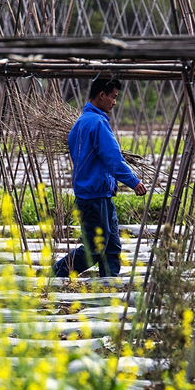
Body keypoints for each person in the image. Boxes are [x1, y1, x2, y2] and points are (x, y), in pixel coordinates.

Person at [53, 78, 147, 279]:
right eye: (113, 97)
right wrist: (133, 181)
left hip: (97, 194)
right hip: (94, 196)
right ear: (101, 95)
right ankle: (54, 273)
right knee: (95, 250)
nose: (114, 102)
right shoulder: (97, 123)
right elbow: (113, 159)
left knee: (112, 248)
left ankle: (108, 288)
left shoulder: (80, 123)